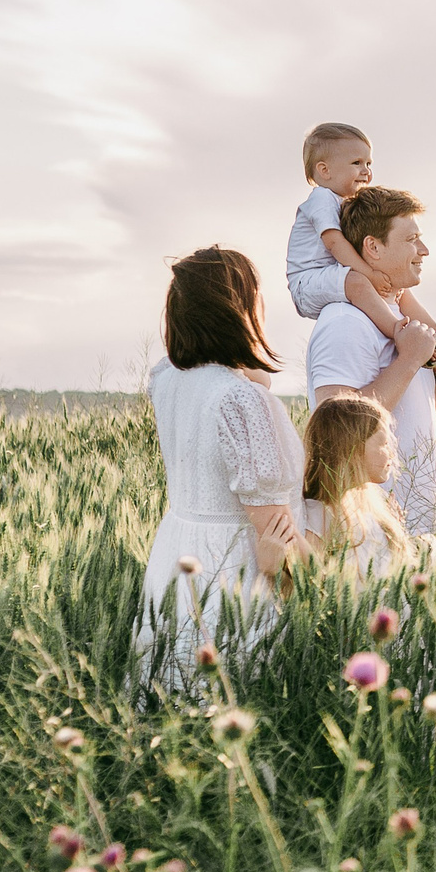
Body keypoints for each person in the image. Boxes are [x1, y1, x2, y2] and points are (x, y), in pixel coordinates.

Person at [135, 247, 309, 687]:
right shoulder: (242, 400)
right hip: (231, 568)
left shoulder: (168, 378)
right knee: (230, 696)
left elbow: (243, 376)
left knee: (173, 684)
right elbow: (276, 535)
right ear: (241, 308)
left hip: (177, 552)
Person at [306, 186, 436, 538]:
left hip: (410, 528)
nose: (423, 250)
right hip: (366, 535)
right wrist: (410, 359)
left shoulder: (403, 321)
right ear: (373, 247)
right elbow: (337, 429)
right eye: (411, 239)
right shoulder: (345, 322)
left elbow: (400, 419)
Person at [285, 122, 436, 365]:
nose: (366, 171)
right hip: (307, 281)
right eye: (357, 163)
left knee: (399, 290)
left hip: (330, 273)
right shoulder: (321, 198)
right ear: (325, 170)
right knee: (357, 282)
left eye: (368, 163)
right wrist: (370, 273)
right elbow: (334, 243)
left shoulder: (341, 201)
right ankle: (400, 333)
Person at [300, 395, 416, 575]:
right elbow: (310, 582)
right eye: (384, 444)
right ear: (351, 450)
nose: (392, 454)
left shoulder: (376, 505)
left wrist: (395, 529)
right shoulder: (318, 515)